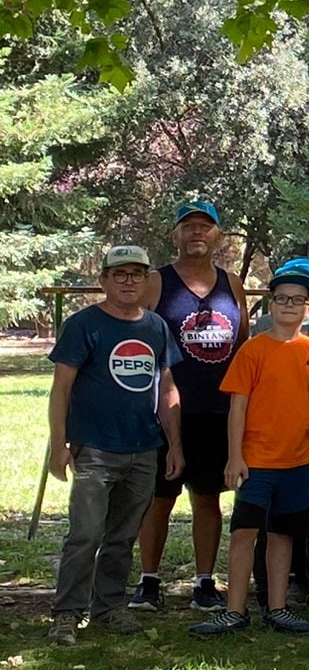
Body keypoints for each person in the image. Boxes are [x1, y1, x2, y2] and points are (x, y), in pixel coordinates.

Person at [46, 246, 185, 644]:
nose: (128, 282)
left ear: (146, 281)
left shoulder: (156, 327)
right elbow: (61, 389)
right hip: (95, 448)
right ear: (104, 280)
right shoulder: (83, 325)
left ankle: (108, 608)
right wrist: (60, 444)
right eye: (119, 274)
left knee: (122, 536)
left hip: (143, 447)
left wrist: (173, 445)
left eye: (136, 274)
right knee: (85, 534)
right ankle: (66, 614)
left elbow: (168, 388)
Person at [191, 259, 309, 637]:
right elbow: (237, 406)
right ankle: (235, 610)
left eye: (297, 300)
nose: (289, 306)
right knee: (244, 533)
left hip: (298, 460)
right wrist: (235, 456)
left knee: (283, 534)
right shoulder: (253, 350)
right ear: (271, 304)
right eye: (282, 299)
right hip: (257, 461)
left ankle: (278, 606)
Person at [134, 198, 246, 613]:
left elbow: (243, 346)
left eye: (205, 226)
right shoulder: (157, 282)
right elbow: (138, 338)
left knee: (207, 497)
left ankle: (204, 581)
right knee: (159, 497)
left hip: (217, 411)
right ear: (175, 234)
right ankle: (148, 580)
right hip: (165, 410)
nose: (197, 232)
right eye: (189, 226)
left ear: (217, 235)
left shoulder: (231, 284)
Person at [249, 237, 309, 614]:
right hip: (270, 438)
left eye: (301, 293)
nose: (291, 302)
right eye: (283, 293)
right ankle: (271, 588)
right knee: (270, 518)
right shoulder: (261, 325)